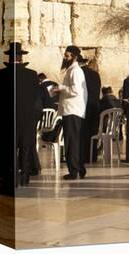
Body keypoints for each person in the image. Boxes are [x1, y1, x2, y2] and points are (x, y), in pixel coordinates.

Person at [0, 42, 42, 192]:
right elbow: (37, 99)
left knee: (9, 148)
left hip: (6, 119)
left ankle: (11, 178)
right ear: (21, 58)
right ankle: (24, 178)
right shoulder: (32, 75)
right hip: (27, 120)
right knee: (25, 147)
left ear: (9, 58)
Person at [52, 45, 88, 180]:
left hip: (72, 110)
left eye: (67, 56)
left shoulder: (76, 71)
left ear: (74, 57)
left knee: (71, 142)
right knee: (74, 142)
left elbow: (76, 91)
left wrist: (60, 88)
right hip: (72, 110)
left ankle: (74, 171)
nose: (65, 58)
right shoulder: (72, 70)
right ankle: (79, 168)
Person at [79, 57, 102, 164]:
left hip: (84, 107)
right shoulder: (96, 75)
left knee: (83, 132)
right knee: (93, 132)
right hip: (95, 106)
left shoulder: (79, 73)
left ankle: (83, 156)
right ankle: (93, 156)